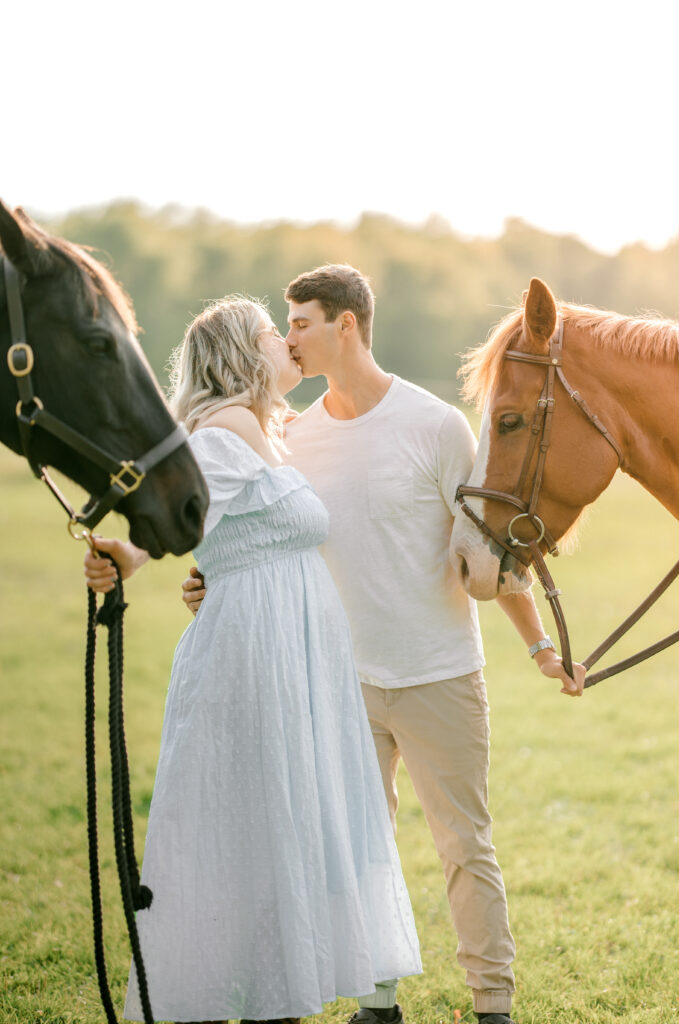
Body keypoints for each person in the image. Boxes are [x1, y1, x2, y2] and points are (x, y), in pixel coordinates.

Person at [179, 266, 586, 1024]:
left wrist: (539, 649)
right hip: (337, 680)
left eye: (299, 322)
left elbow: (484, 552)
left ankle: (491, 1004)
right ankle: (378, 1003)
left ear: (346, 326)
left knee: (465, 846)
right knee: (355, 849)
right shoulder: (289, 436)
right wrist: (209, 582)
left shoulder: (433, 425)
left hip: (440, 675)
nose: (289, 337)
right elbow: (261, 530)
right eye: (284, 325)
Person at [84, 295, 422, 1024]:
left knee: (281, 823)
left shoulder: (267, 430)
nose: (288, 343)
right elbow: (180, 514)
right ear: (242, 352)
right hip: (252, 657)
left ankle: (282, 990)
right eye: (276, 333)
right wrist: (131, 556)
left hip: (292, 653)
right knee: (253, 825)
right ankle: (261, 996)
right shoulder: (221, 431)